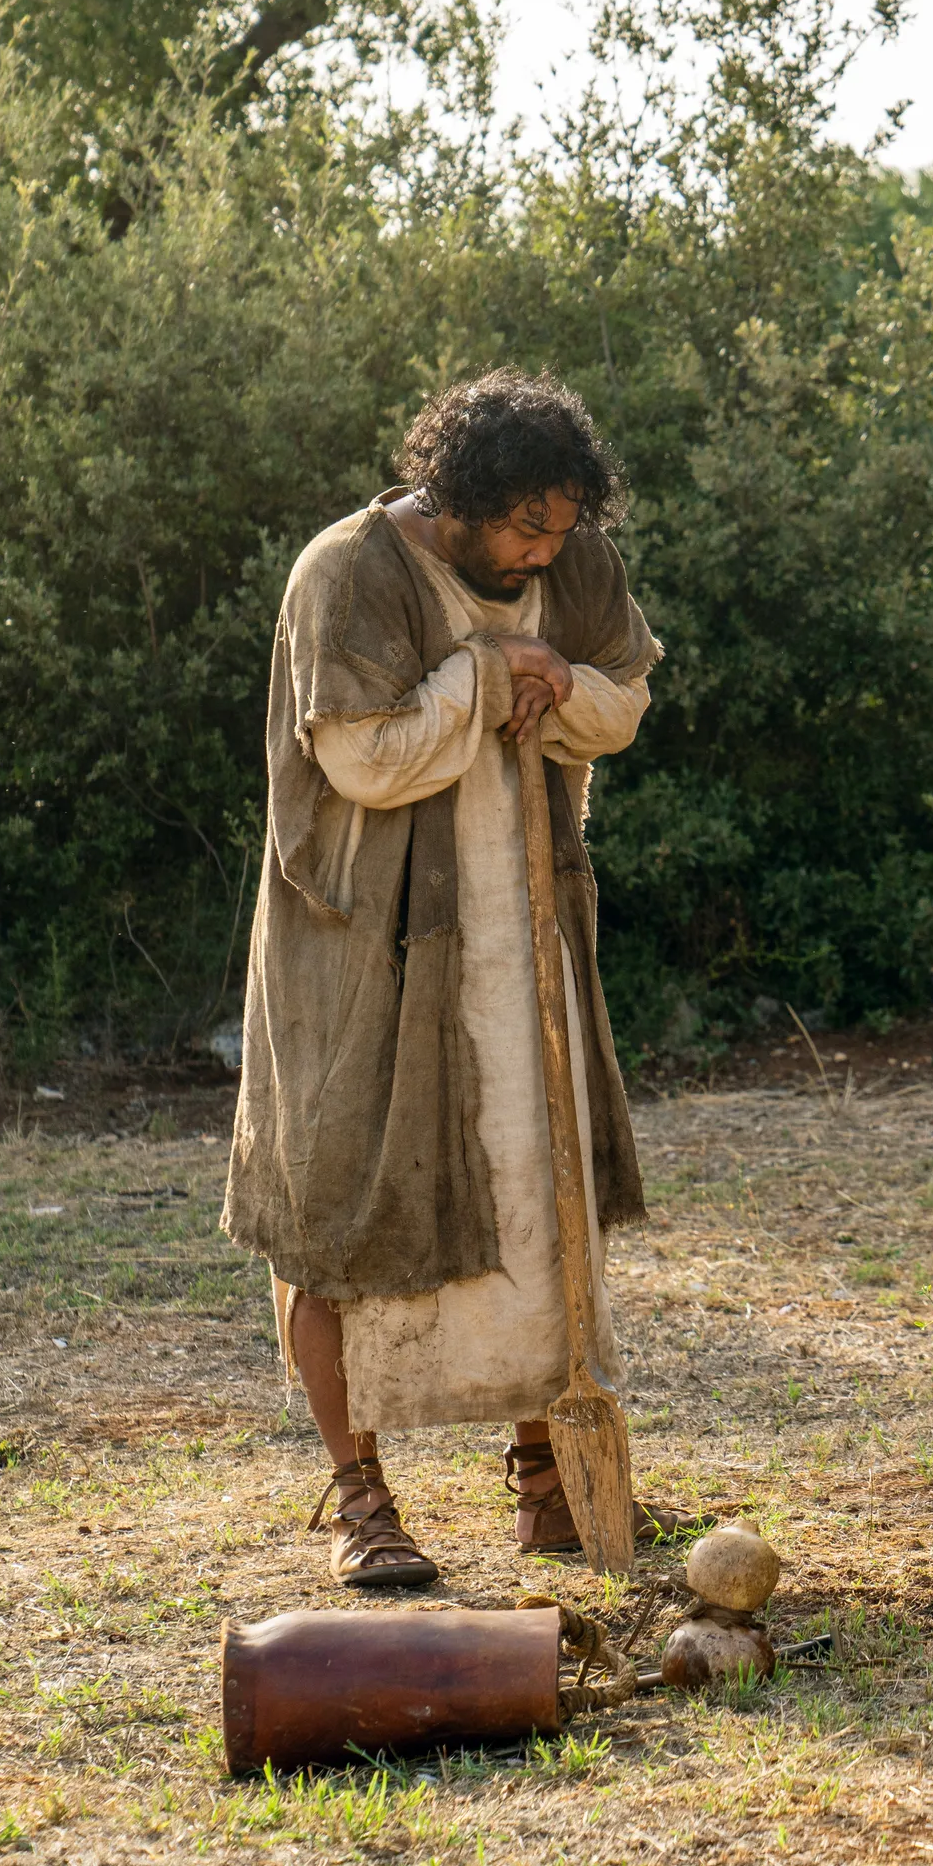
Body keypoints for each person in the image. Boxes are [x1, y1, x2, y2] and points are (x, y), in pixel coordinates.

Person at [221, 373, 659, 1586]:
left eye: (561, 525)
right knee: (336, 1203)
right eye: (524, 525)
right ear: (459, 499)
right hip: (356, 946)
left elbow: (620, 702)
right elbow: (364, 759)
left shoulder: (575, 564)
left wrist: (560, 680)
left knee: (535, 1181)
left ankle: (547, 1477)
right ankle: (361, 1499)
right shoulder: (347, 573)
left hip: (525, 934)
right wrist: (488, 675)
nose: (544, 549)